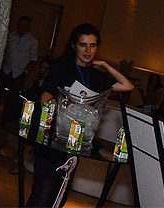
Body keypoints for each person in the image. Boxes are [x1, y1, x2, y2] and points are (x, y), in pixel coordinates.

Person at [26, 23, 134, 207]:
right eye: (83, 44)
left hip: (74, 140)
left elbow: (127, 86)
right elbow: (46, 95)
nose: (88, 50)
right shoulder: (62, 65)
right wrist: (51, 113)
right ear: (74, 45)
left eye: (92, 45)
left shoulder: (94, 75)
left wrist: (105, 65)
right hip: (53, 139)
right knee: (42, 195)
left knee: (59, 196)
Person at [0, 16, 38, 124]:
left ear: (28, 27)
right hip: (6, 69)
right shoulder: (10, 36)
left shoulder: (32, 41)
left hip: (19, 72)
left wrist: (26, 72)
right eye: (20, 24)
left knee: (12, 98)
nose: (22, 27)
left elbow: (34, 59)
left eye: (24, 25)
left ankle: (5, 121)